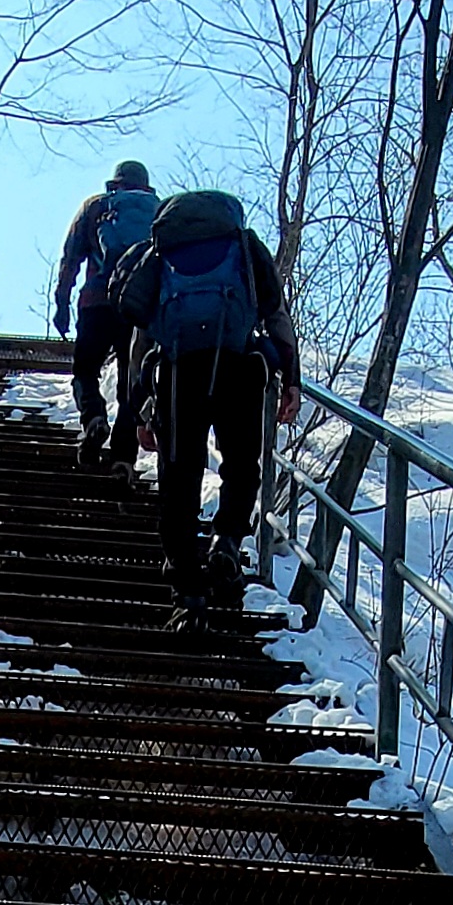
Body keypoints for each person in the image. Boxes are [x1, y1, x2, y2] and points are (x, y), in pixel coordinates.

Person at [112, 187, 301, 629]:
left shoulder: (160, 252)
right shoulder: (245, 246)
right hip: (240, 367)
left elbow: (142, 336)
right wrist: (290, 380)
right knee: (242, 466)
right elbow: (275, 313)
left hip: (179, 371)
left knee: (179, 480)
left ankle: (188, 593)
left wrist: (141, 408)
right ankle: (227, 540)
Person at [51, 158, 161, 464]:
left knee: (85, 370)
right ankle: (124, 459)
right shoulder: (160, 212)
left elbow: (70, 257)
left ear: (116, 183)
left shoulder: (96, 206)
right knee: (131, 384)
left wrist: (62, 303)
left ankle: (94, 418)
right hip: (138, 308)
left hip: (97, 302)